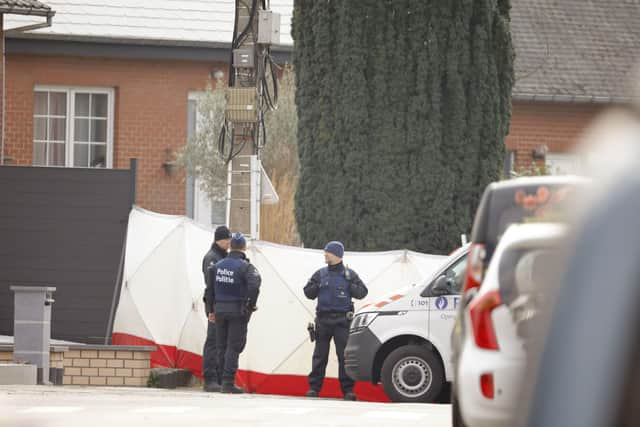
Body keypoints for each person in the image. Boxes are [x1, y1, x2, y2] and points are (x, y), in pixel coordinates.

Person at [304, 241, 368, 401]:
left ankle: (348, 391)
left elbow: (362, 292)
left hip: (342, 322)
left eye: (328, 252)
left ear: (337, 255)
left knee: (344, 357)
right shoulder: (320, 274)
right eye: (325, 252)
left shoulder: (349, 274)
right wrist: (315, 286)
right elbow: (308, 292)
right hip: (323, 321)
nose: (325, 254)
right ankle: (314, 388)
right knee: (319, 356)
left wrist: (349, 285)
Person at [208, 232, 261, 394]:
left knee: (221, 346)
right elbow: (254, 286)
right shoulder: (246, 267)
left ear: (231, 246)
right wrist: (251, 306)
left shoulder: (217, 265)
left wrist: (211, 310)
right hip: (237, 311)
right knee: (234, 346)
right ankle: (228, 382)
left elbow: (209, 290)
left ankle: (221, 380)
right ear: (244, 247)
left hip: (219, 310)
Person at [201, 225, 231, 392]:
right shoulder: (211, 258)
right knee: (212, 342)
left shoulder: (222, 257)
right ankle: (210, 378)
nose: (229, 243)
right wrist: (211, 309)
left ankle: (219, 377)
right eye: (227, 240)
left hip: (222, 305)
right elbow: (210, 284)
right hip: (215, 306)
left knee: (222, 343)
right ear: (219, 240)